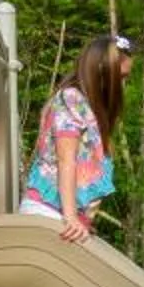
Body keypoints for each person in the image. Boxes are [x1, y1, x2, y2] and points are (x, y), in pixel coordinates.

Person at [22, 33, 135, 242]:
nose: (123, 84)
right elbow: (67, 159)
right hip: (51, 212)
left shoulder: (89, 108)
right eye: (121, 77)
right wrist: (71, 216)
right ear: (104, 72)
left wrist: (81, 218)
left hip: (64, 215)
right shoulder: (71, 98)